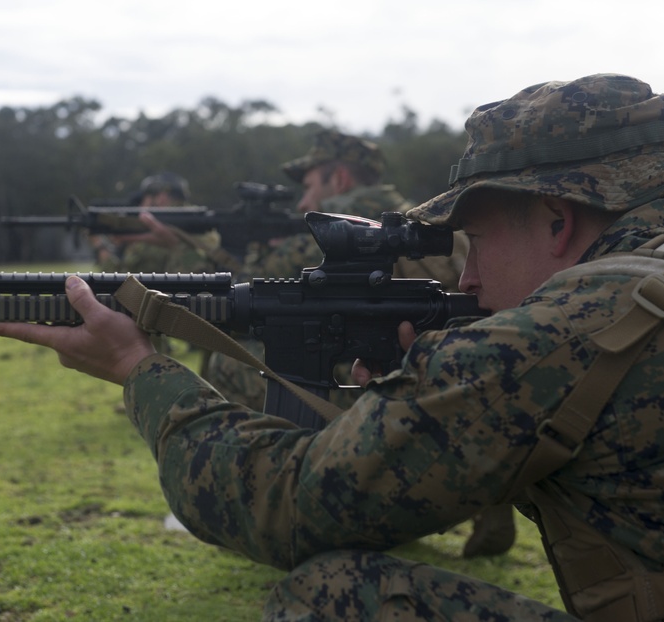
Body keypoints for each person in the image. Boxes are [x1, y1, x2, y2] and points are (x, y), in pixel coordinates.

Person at [0, 73, 664, 620]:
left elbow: (286, 505)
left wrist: (138, 368)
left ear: (556, 221)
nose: (468, 274)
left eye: (475, 238)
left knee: (335, 595)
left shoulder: (550, 337)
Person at [205, 129, 513, 559]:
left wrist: (209, 248)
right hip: (463, 369)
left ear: (341, 181)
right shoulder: (428, 221)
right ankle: (488, 500)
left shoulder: (345, 224)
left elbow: (261, 275)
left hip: (409, 365)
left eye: (310, 186)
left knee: (234, 368)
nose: (302, 202)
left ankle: (287, 496)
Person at [92, 171, 220, 274]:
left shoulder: (196, 224)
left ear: (163, 196)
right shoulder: (199, 221)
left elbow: (123, 282)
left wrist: (99, 245)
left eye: (149, 197)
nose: (144, 205)